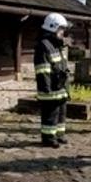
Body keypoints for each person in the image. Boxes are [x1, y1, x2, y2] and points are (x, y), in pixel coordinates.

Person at [34, 13, 71, 148]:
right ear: (52, 28)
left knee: (61, 111)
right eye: (61, 29)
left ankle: (59, 134)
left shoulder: (56, 44)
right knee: (50, 113)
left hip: (59, 85)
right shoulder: (43, 45)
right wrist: (46, 88)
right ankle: (48, 137)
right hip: (50, 87)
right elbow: (42, 69)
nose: (62, 32)